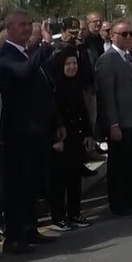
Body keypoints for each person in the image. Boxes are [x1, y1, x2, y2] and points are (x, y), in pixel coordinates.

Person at [0, 10, 62, 254]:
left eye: (29, 24)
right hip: (18, 133)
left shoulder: (28, 53)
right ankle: (13, 237)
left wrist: (54, 124)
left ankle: (30, 229)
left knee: (33, 184)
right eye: (21, 25)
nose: (26, 28)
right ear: (9, 28)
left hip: (38, 131)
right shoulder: (4, 56)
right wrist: (45, 46)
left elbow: (44, 92)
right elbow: (22, 73)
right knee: (17, 187)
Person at [94, 19, 132, 217]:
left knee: (131, 162)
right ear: (112, 36)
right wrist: (113, 124)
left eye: (131, 34)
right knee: (119, 165)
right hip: (120, 122)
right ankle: (118, 203)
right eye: (123, 34)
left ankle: (130, 197)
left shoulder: (127, 56)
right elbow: (106, 95)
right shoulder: (108, 60)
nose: (128, 37)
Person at [48, 49, 94, 229]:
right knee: (58, 180)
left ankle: (75, 213)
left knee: (75, 178)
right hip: (60, 139)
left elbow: (83, 110)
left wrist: (89, 134)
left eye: (74, 63)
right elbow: (52, 114)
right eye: (68, 63)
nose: (72, 66)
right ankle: (58, 217)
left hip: (76, 137)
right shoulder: (55, 86)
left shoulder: (76, 83)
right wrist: (55, 138)